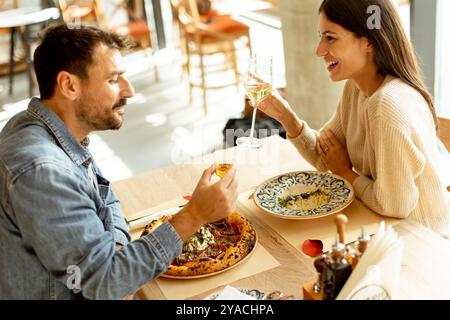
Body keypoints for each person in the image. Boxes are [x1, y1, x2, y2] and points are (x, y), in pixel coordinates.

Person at [0, 24, 238, 299]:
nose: (130, 91)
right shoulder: (42, 171)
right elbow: (107, 284)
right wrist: (194, 216)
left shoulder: (43, 126)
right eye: (113, 80)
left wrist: (117, 254)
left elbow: (107, 199)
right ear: (69, 85)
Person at [258, 0, 449, 237]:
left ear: (368, 40)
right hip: (382, 226)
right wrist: (286, 117)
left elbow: (395, 206)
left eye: (330, 38)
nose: (319, 50)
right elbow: (324, 156)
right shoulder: (356, 89)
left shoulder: (387, 105)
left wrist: (347, 174)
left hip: (423, 240)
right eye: (321, 37)